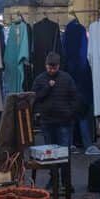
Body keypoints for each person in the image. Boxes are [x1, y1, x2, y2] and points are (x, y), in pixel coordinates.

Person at [32, 52, 78, 191]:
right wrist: (47, 87)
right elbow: (35, 97)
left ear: (58, 66)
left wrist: (71, 113)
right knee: (50, 155)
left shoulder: (66, 78)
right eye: (49, 67)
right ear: (45, 65)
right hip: (47, 122)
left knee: (64, 154)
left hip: (64, 121)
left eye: (54, 67)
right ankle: (54, 180)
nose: (51, 70)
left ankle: (66, 182)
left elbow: (74, 96)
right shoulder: (40, 79)